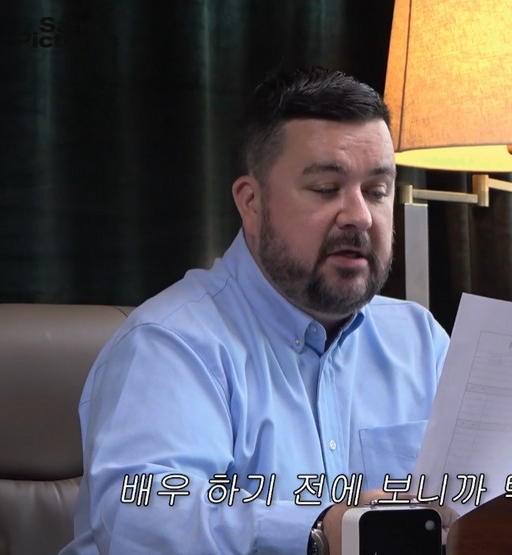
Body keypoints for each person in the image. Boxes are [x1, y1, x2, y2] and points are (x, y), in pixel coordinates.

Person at [62, 66, 450, 554]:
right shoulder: (170, 343)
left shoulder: (420, 340)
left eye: (377, 191)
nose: (359, 216)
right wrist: (318, 530)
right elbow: (148, 518)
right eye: (326, 189)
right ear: (251, 202)